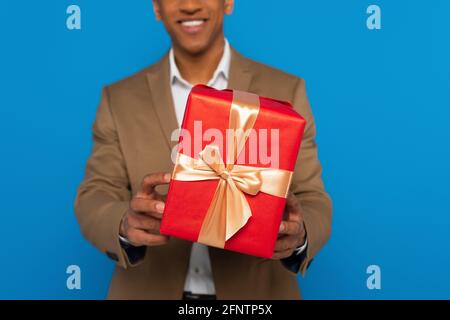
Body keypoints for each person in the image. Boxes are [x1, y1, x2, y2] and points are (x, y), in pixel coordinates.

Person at [75, 0, 332, 300]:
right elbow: (95, 195)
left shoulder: (285, 91)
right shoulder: (119, 99)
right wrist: (123, 222)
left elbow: (313, 198)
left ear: (228, 2)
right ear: (156, 7)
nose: (189, 5)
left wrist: (300, 235)